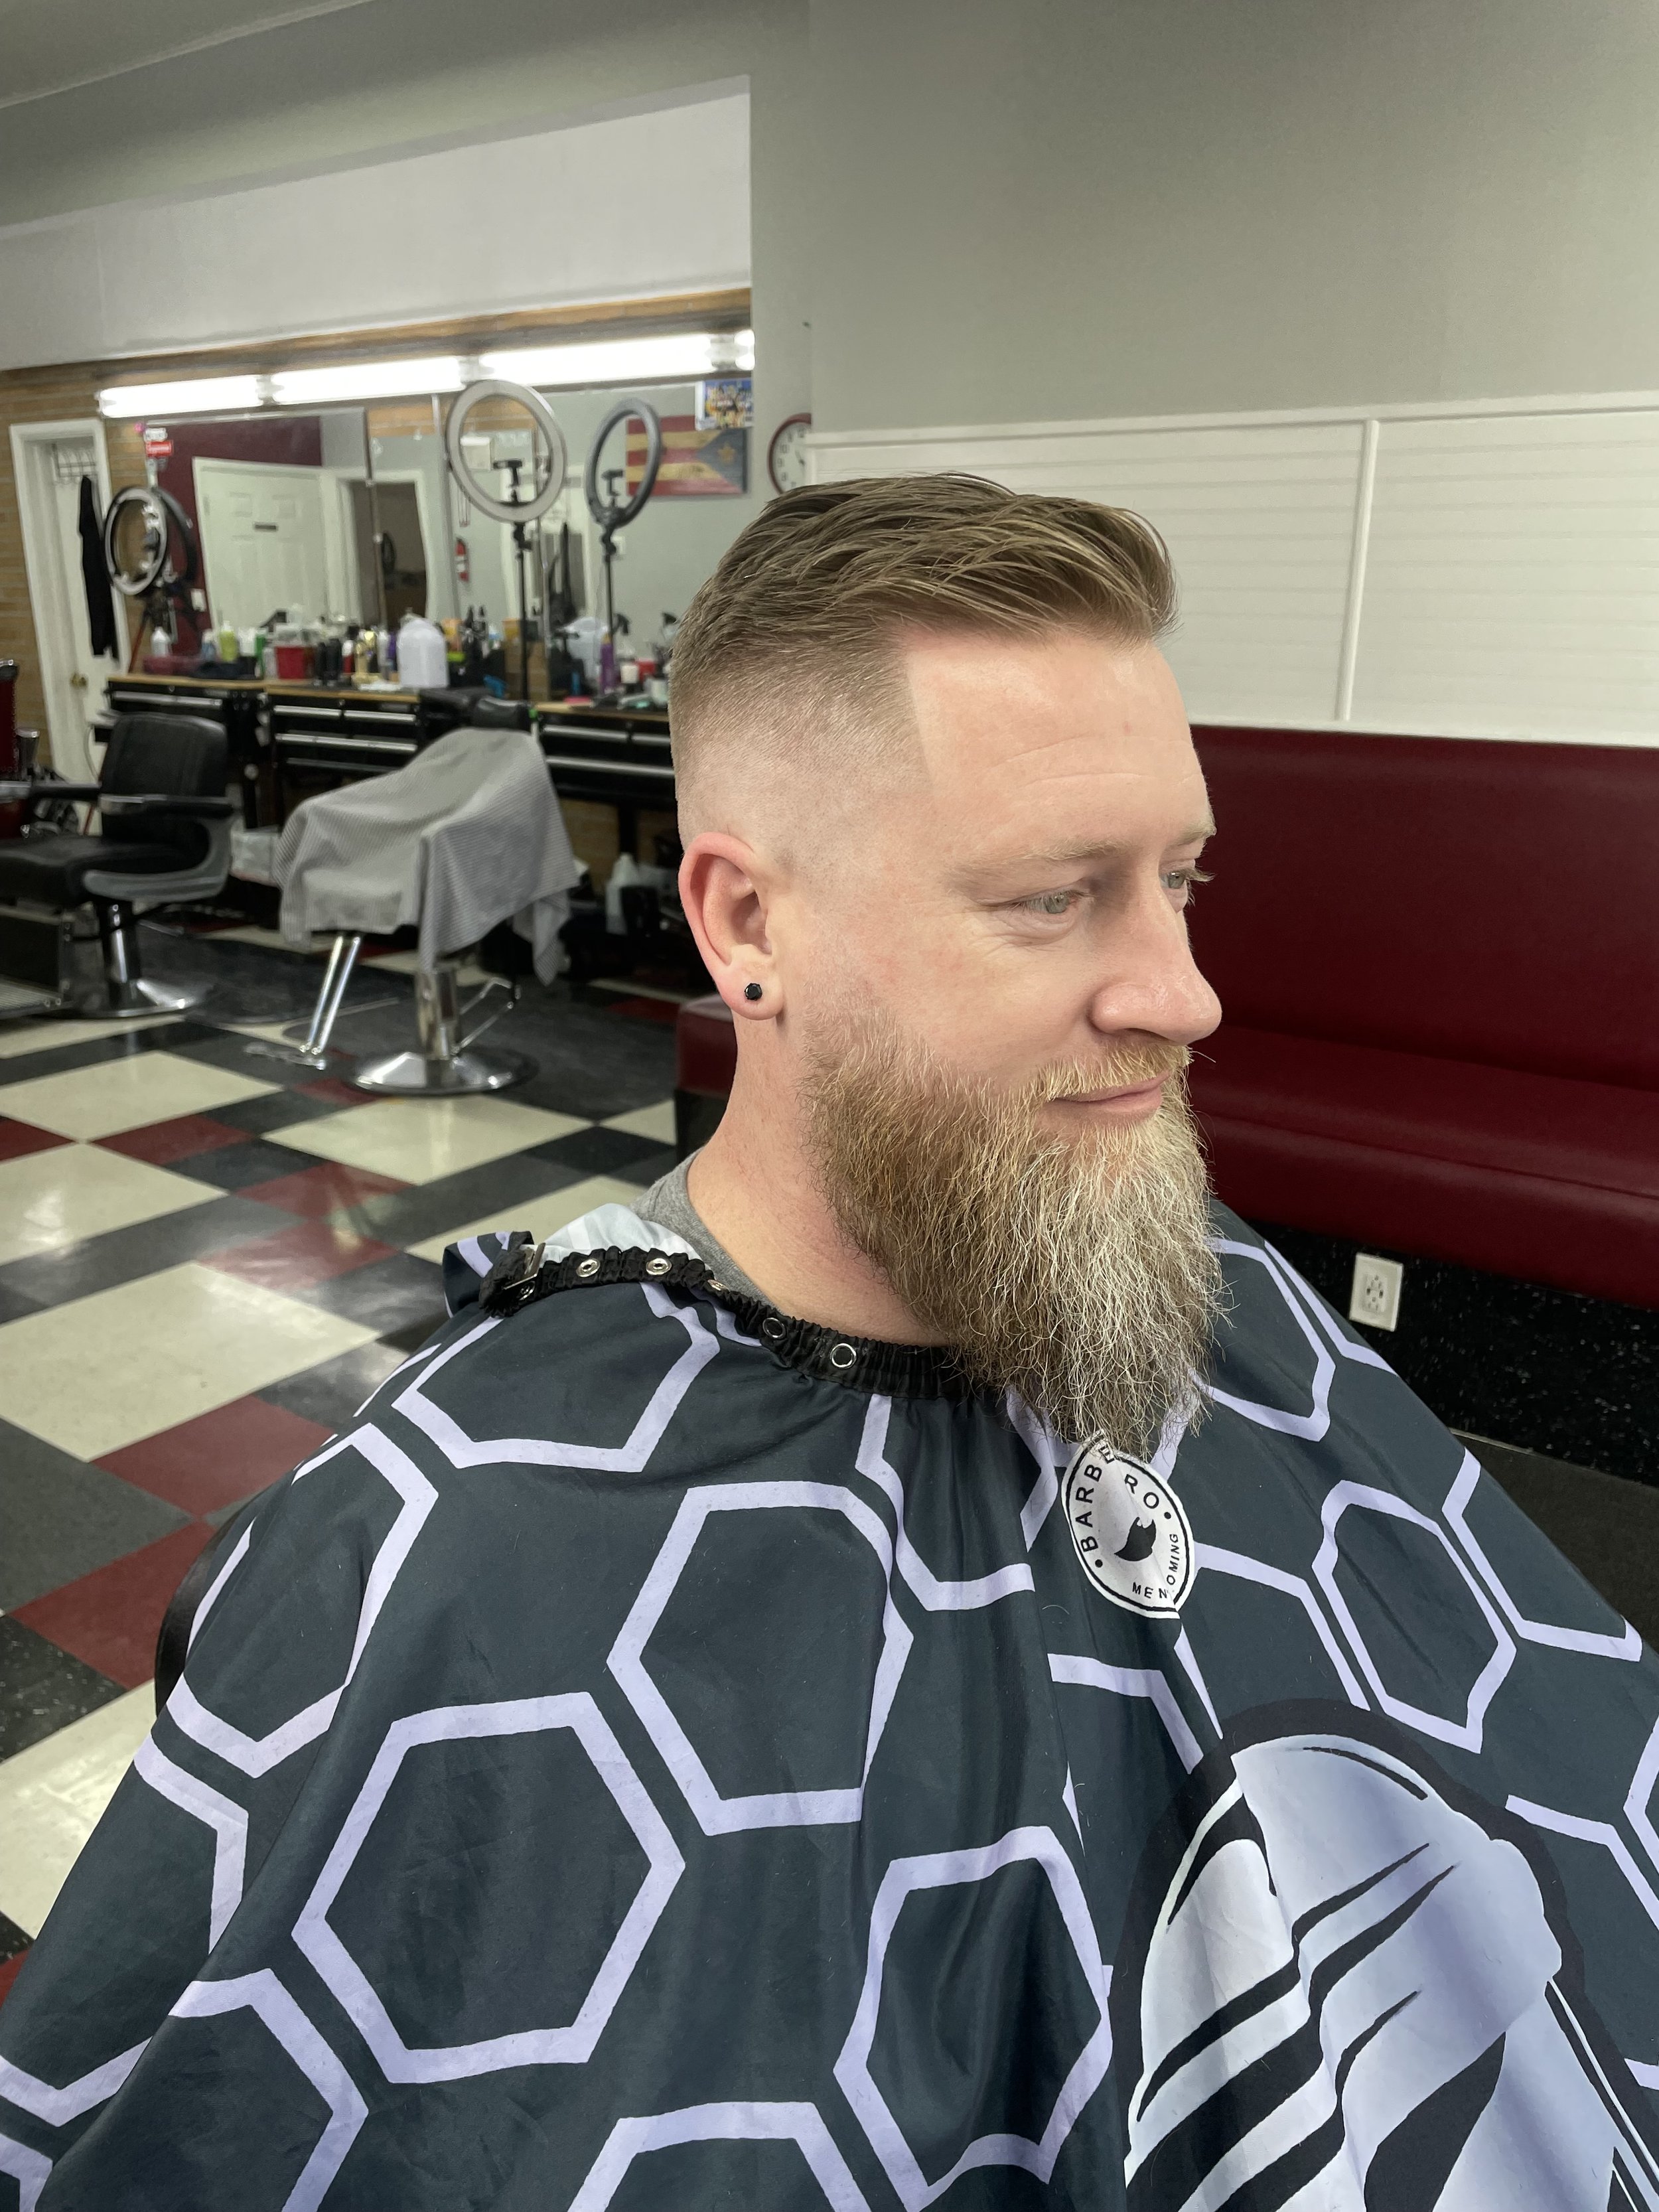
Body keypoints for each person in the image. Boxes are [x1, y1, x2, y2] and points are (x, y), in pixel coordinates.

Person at [3, 477, 1656, 2209]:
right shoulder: (458, 1553)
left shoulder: (1207, 1285)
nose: (1185, 993)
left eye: (1180, 879)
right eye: (1052, 897)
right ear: (747, 928)